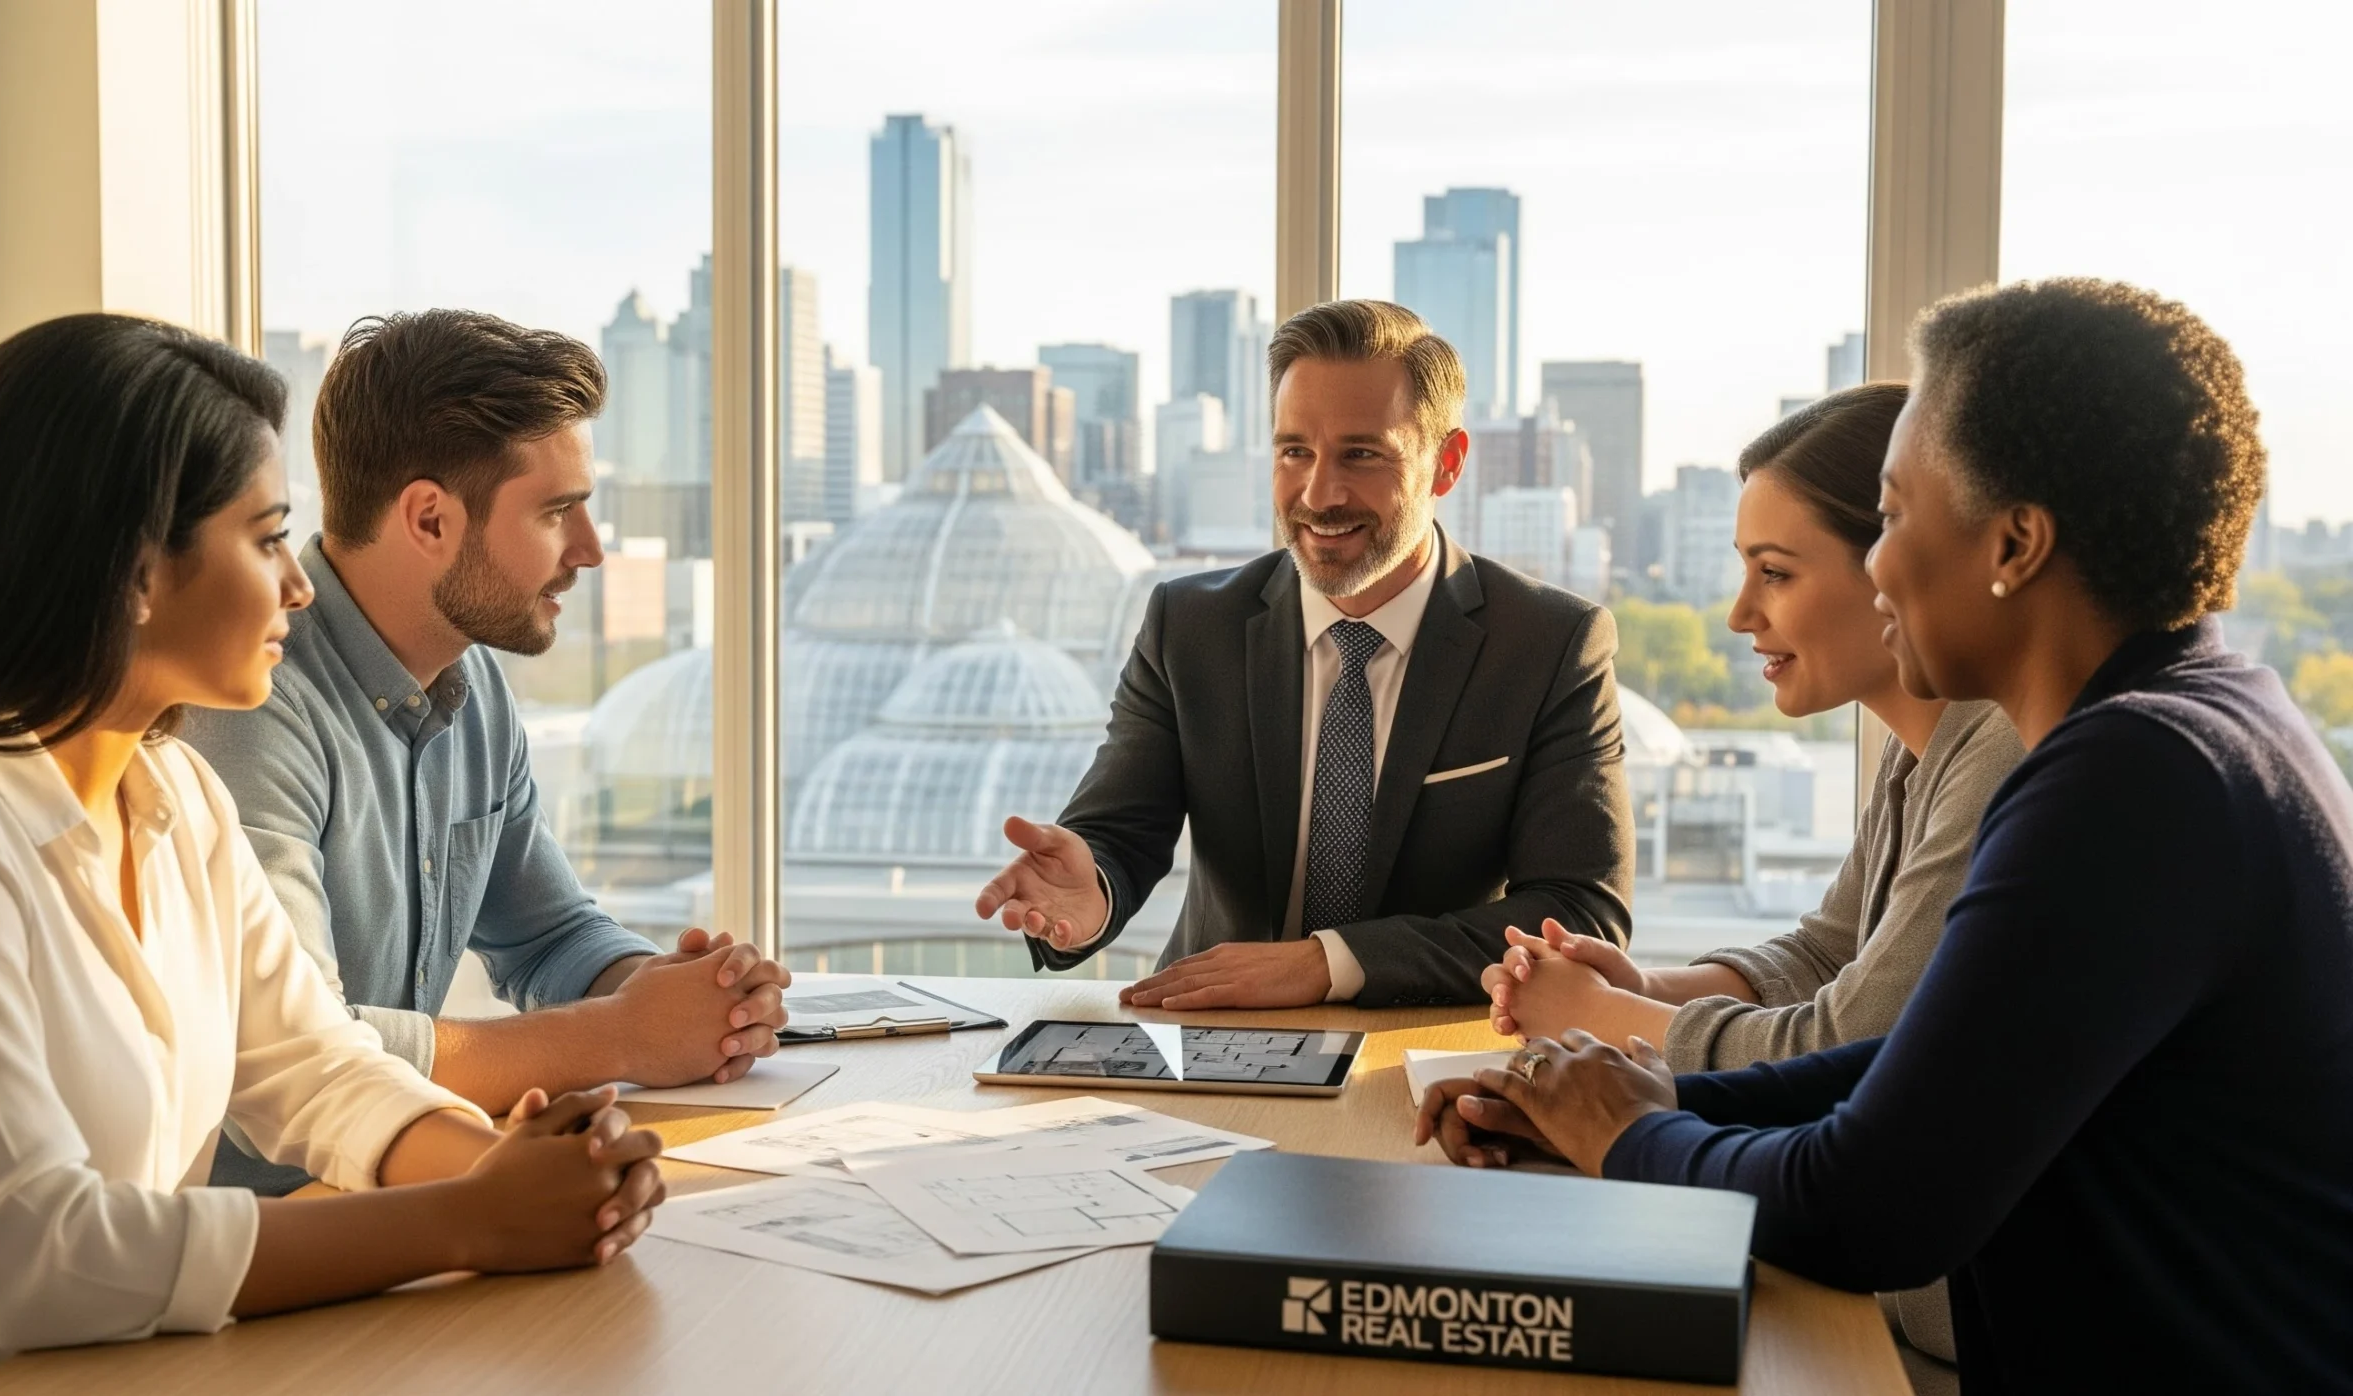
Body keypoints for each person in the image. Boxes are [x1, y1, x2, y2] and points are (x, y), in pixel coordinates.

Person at [1417, 278, 2353, 1391]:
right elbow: (1930, 1076)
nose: (1877, 564)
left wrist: (1622, 1130)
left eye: (1896, 514)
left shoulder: (2130, 778)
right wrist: (1605, 1094)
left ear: (2013, 543)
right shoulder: (2197, 721)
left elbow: (1867, 1209)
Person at [0, 315, 667, 1396]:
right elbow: (32, 1252)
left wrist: (509, 1166)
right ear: (132, 569)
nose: (299, 588)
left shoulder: (178, 799)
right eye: (265, 541)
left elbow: (312, 1066)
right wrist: (468, 1219)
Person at [1478, 382, 2020, 1381]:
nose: (1738, 614)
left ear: (1895, 561)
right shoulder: (1922, 751)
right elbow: (1825, 952)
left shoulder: (1995, 755)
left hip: (1954, 1332)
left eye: (1774, 572)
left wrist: (1606, 1024)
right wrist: (1647, 995)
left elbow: (1855, 1038)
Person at [176, 310, 788, 1192]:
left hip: (402, 1202)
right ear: (429, 519)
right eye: (557, 513)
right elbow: (300, 1051)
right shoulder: (249, 704)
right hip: (273, 1234)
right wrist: (623, 1036)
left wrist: (686, 996)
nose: (590, 551)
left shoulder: (473, 682)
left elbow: (546, 935)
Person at [974, 299, 1634, 1008]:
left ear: (1446, 464)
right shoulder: (1192, 625)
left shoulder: (1549, 645)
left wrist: (1329, 964)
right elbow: (1119, 832)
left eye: (1362, 454)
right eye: (1295, 451)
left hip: (1425, 1047)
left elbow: (1580, 914)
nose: (1320, 493)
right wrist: (1092, 893)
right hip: (1209, 1038)